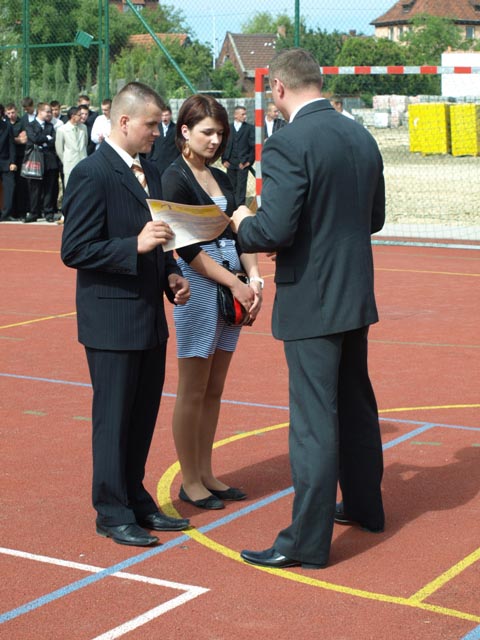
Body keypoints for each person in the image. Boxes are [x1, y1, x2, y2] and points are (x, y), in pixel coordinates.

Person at [231, 48, 386, 569]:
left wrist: (242, 225)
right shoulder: (360, 136)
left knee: (314, 422)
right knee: (356, 405)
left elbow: (274, 228)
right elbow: (374, 218)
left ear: (277, 88)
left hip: (312, 299)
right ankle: (365, 506)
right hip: (354, 292)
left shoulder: (288, 142)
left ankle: (305, 541)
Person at [61, 82, 191, 547]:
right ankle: (111, 510)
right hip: (112, 322)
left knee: (141, 416)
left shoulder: (151, 171)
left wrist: (171, 273)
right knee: (114, 419)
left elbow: (160, 238)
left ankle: (135, 497)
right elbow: (74, 249)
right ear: (124, 121)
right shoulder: (91, 174)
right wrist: (132, 246)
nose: (158, 132)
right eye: (152, 124)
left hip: (149, 318)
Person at [161, 94, 263, 510]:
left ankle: (206, 472)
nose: (215, 140)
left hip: (231, 285)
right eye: (207, 132)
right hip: (201, 288)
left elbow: (241, 229)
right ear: (185, 131)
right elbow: (186, 249)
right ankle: (190, 479)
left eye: (220, 133)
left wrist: (254, 279)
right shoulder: (174, 177)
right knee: (192, 388)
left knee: (214, 388)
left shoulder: (221, 177)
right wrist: (236, 284)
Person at [24, 102, 59, 223]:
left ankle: (48, 212)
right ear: (40, 111)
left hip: (49, 160)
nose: (50, 114)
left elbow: (53, 141)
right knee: (35, 188)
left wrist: (44, 140)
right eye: (47, 111)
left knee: (49, 187)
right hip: (36, 160)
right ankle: (34, 212)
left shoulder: (50, 126)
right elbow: (34, 139)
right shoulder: (30, 125)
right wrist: (46, 138)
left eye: (50, 112)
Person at [222, 105, 255, 205]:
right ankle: (231, 206)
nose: (245, 116)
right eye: (243, 114)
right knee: (231, 186)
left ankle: (240, 207)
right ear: (236, 115)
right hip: (230, 163)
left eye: (245, 114)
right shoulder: (228, 128)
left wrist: (248, 161)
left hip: (243, 163)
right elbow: (223, 144)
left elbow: (253, 147)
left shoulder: (249, 128)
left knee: (241, 187)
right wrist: (224, 159)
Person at [55, 106, 88, 186]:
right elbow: (59, 149)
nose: (82, 117)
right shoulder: (62, 130)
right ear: (73, 116)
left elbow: (85, 143)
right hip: (70, 163)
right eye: (79, 115)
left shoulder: (84, 127)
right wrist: (66, 160)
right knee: (70, 186)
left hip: (83, 160)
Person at [148, 105, 179, 176]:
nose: (164, 118)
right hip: (156, 162)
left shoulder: (176, 129)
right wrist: (149, 159)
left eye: (166, 115)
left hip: (170, 163)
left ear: (170, 115)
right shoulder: (156, 127)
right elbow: (151, 144)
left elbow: (178, 147)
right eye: (163, 115)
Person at [0, 104, 17, 222]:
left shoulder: (7, 126)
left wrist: (13, 162)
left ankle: (6, 213)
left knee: (10, 187)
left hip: (6, 162)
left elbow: (11, 145)